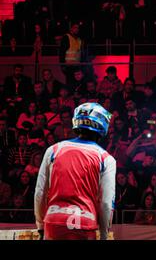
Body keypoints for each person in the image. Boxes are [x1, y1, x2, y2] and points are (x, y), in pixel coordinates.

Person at [34, 102, 116, 240]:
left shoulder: (53, 150)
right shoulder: (106, 159)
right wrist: (104, 235)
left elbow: (40, 192)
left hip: (53, 220)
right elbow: (106, 203)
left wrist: (40, 226)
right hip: (85, 222)